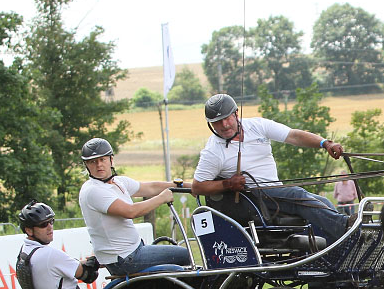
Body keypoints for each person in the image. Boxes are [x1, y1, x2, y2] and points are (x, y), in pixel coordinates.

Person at [190, 94, 352, 243]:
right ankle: (347, 228)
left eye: (226, 118)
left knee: (322, 202)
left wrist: (325, 143)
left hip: (275, 193)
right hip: (253, 200)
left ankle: (338, 248)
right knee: (297, 195)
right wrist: (228, 184)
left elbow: (294, 136)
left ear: (236, 114)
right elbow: (197, 187)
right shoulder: (212, 151)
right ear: (210, 124)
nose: (224, 125)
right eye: (217, 122)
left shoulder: (257, 126)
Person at [78, 138, 192, 275]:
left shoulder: (118, 182)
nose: (99, 165)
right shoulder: (93, 190)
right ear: (86, 165)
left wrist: (187, 186)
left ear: (111, 160)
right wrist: (162, 198)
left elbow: (151, 187)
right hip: (125, 259)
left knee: (184, 261)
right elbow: (131, 211)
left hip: (131, 252)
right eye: (93, 162)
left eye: (102, 159)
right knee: (187, 255)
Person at [15, 201, 100, 289]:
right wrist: (98, 259)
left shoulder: (25, 253)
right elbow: (88, 275)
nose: (50, 227)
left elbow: (71, 266)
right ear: (29, 230)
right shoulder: (48, 255)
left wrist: (90, 262)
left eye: (51, 221)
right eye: (43, 224)